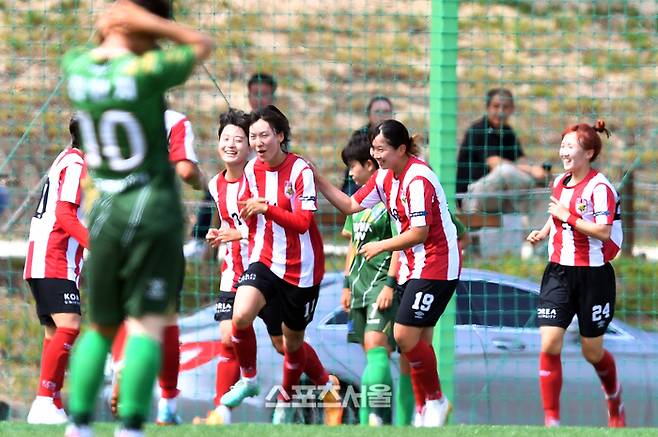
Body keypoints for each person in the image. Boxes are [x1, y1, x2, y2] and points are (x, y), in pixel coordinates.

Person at [61, 1, 213, 436]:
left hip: (104, 210)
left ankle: (79, 425)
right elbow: (202, 42)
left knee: (101, 323)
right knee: (148, 322)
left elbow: (96, 46)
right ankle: (130, 426)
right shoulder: (147, 74)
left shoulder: (77, 67)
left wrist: (116, 22)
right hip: (151, 211)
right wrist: (155, 25)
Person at [316, 119, 461, 427]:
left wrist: (382, 245)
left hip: (437, 264)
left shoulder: (418, 179)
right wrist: (318, 180)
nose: (376, 155)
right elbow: (351, 205)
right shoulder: (385, 178)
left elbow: (420, 232)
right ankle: (425, 408)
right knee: (416, 340)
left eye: (382, 149)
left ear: (401, 149)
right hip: (414, 266)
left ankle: (435, 400)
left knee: (403, 335)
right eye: (374, 149)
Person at [220, 105, 342, 425]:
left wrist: (267, 208)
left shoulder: (301, 171)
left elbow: (303, 223)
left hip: (301, 270)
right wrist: (233, 231)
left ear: (280, 136)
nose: (257, 142)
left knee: (288, 344)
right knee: (241, 315)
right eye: (253, 137)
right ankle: (248, 380)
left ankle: (300, 395)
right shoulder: (250, 171)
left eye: (264, 135)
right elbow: (251, 217)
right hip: (264, 260)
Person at [108, 108, 205, 426]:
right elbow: (187, 172)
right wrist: (202, 182)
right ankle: (167, 404)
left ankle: (120, 371)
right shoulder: (173, 121)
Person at [526, 120, 625, 427]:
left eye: (571, 147)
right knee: (549, 343)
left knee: (591, 351)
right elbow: (557, 214)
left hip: (593, 276)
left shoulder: (600, 188)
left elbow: (604, 232)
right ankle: (551, 421)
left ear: (589, 153)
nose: (564, 152)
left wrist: (567, 217)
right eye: (563, 146)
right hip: (558, 272)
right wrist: (543, 231)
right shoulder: (560, 181)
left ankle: (614, 399)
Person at [24, 116, 88, 425]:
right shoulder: (76, 164)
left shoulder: (67, 158)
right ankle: (42, 401)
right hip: (54, 257)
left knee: (54, 332)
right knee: (70, 324)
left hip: (45, 257)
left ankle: (52, 402)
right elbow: (64, 213)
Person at [339, 134, 399, 426]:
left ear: (370, 164)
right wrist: (346, 285)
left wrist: (390, 283)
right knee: (372, 355)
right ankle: (374, 422)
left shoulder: (390, 198)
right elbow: (353, 247)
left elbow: (402, 242)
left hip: (381, 286)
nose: (350, 172)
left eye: (353, 165)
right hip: (359, 288)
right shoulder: (359, 202)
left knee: (377, 348)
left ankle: (373, 417)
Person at [184, 72, 278, 259]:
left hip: (262, 186)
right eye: (255, 93)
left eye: (264, 94)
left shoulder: (275, 126)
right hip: (238, 180)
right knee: (214, 191)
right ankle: (200, 241)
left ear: (272, 97)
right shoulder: (245, 123)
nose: (259, 98)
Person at [456, 88, 547, 213]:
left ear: (512, 109)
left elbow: (521, 160)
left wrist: (539, 172)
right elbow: (495, 163)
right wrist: (531, 171)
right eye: (496, 106)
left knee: (542, 189)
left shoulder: (508, 132)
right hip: (472, 197)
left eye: (505, 107)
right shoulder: (478, 130)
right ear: (488, 108)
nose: (501, 111)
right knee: (505, 171)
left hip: (499, 197)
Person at [341, 96, 394, 195]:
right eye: (377, 111)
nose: (382, 116)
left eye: (386, 111)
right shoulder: (360, 136)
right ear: (369, 115)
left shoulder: (398, 136)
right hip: (361, 183)